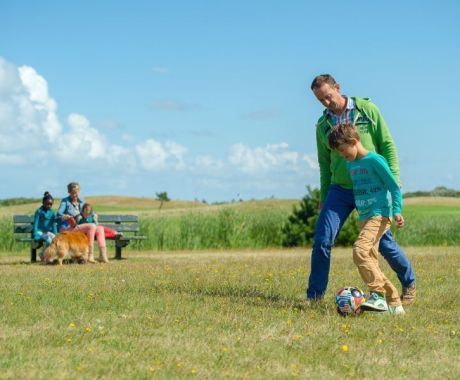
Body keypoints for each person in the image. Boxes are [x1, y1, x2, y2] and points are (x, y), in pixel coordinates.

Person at [307, 74, 416, 304]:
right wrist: (324, 197)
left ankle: (408, 282)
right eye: (321, 100)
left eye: (328, 96)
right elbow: (324, 165)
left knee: (383, 245)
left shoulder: (367, 109)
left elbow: (386, 143)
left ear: (337, 87)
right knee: (322, 239)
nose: (326, 103)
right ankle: (314, 297)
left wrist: (393, 177)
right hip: (341, 189)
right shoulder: (322, 126)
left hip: (371, 188)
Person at [328, 123, 405, 314]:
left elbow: (394, 187)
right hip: (364, 217)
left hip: (379, 215)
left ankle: (377, 296)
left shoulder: (375, 161)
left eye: (344, 151)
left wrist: (396, 210)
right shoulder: (351, 163)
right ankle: (394, 303)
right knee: (371, 263)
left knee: (360, 251)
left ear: (354, 142)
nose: (342, 156)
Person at [56, 182, 109, 263]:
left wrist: (94, 215)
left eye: (76, 192)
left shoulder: (82, 202)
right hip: (71, 228)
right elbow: (59, 213)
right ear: (69, 192)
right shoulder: (65, 201)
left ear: (79, 191)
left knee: (100, 228)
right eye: (72, 192)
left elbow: (90, 211)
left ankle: (103, 256)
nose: (75, 194)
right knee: (91, 226)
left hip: (81, 227)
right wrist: (64, 216)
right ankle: (89, 255)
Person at [33, 192, 58, 262]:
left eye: (51, 204)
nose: (49, 206)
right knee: (49, 240)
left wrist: (55, 234)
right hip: (39, 232)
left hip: (47, 232)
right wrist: (35, 234)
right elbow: (35, 223)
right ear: (43, 203)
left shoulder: (52, 212)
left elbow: (53, 224)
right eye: (47, 204)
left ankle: (43, 254)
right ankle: (48, 257)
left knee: (55, 240)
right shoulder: (39, 211)